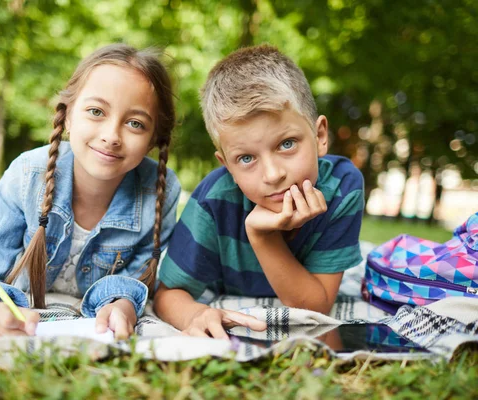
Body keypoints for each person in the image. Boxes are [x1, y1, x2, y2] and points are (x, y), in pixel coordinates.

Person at [0, 44, 180, 339]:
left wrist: (124, 305)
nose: (111, 136)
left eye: (135, 123)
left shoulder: (159, 191)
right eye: (96, 111)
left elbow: (140, 277)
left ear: (154, 139)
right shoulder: (27, 175)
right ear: (68, 116)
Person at [154, 45, 365, 339]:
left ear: (319, 136)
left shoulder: (343, 186)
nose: (273, 174)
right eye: (246, 159)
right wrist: (197, 314)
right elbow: (168, 294)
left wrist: (262, 236)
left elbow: (316, 306)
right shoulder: (213, 201)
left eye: (287, 144)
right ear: (226, 165)